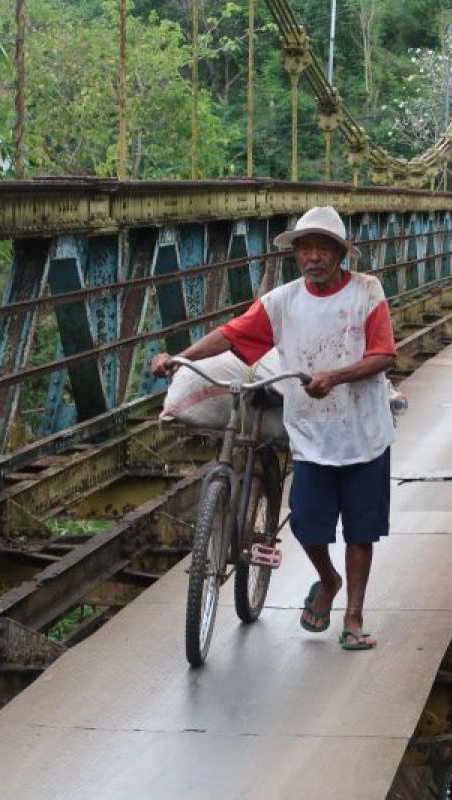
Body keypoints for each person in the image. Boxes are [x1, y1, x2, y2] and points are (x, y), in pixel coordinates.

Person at [151, 206, 397, 651]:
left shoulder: (366, 291)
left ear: (341, 254)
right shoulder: (283, 301)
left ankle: (354, 617)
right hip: (311, 433)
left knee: (360, 530)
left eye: (323, 248)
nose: (313, 257)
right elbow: (231, 335)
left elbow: (384, 354)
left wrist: (335, 376)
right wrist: (180, 358)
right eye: (306, 249)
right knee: (305, 524)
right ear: (296, 254)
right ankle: (329, 580)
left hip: (363, 430)